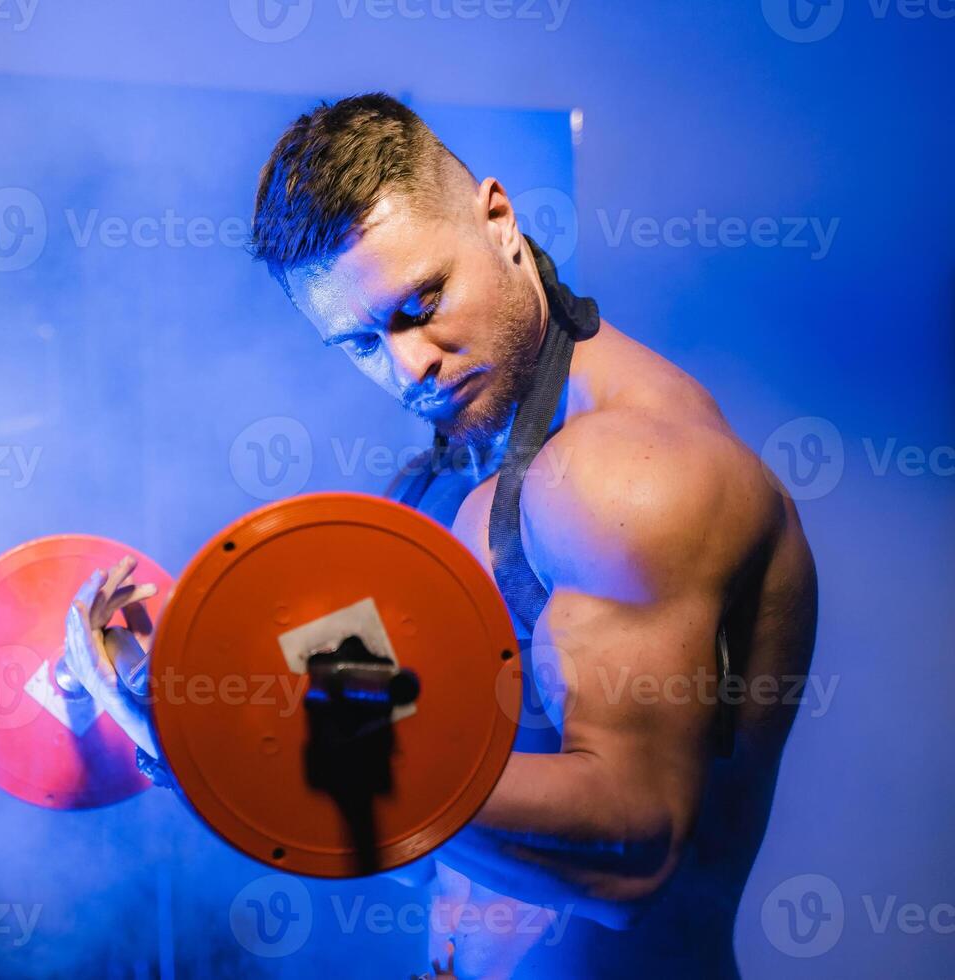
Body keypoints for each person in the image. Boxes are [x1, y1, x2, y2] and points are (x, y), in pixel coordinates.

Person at [65, 93, 817, 977]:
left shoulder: (626, 474)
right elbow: (365, 803)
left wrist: (235, 737)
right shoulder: (435, 487)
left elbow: (632, 852)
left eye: (421, 303)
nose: (408, 366)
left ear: (498, 220)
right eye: (359, 343)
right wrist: (173, 717)